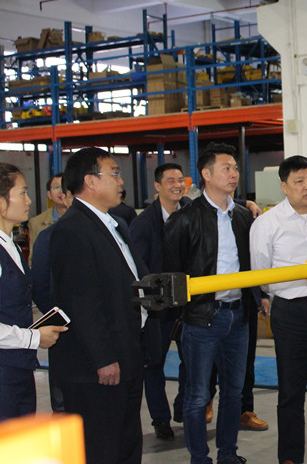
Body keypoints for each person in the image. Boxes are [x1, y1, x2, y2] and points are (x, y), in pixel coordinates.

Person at [163, 143, 262, 464]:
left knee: (234, 392)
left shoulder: (243, 217)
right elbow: (172, 271)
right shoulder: (184, 219)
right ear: (206, 174)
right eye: (226, 168)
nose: (234, 174)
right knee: (198, 395)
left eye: (235, 168)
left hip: (238, 316)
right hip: (202, 319)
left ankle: (228, 453)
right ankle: (199, 458)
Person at [49, 147, 147, 464]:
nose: (121, 181)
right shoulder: (72, 229)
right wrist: (103, 358)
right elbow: (81, 301)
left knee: (127, 442)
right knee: (102, 448)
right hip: (97, 368)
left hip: (126, 354)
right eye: (114, 173)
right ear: (90, 181)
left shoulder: (114, 223)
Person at [250, 155, 307, 464]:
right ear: (284, 187)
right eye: (299, 181)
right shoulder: (268, 223)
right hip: (290, 314)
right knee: (291, 392)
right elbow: (261, 272)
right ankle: (290, 458)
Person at [130, 162, 192, 441]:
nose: (177, 185)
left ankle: (183, 408)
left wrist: (247, 204)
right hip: (158, 306)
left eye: (180, 180)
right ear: (157, 186)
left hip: (188, 301)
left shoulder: (191, 211)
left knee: (192, 360)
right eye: (170, 181)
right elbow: (139, 267)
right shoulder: (144, 224)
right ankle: (160, 419)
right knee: (153, 363)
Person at [0, 162, 66, 420]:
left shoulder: (12, 245)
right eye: (22, 193)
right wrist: (33, 338)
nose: (28, 200)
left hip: (18, 367)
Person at [30, 188, 74, 413]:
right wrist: (59, 317)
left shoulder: (113, 227)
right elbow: (40, 285)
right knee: (63, 397)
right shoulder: (48, 236)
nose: (29, 200)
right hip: (62, 329)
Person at [27, 172, 67, 264]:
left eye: (64, 187)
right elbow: (33, 259)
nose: (61, 191)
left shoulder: (83, 219)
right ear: (49, 194)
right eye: (57, 188)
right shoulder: (36, 222)